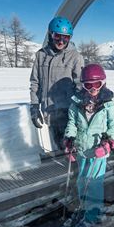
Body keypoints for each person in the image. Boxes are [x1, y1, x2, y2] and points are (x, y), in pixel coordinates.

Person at [62, 64, 114, 227]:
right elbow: (72, 124)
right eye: (88, 85)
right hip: (81, 149)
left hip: (98, 150)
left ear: (103, 83)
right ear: (83, 85)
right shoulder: (76, 103)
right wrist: (69, 140)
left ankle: (93, 215)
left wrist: (109, 142)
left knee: (93, 182)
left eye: (97, 84)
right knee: (81, 181)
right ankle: (85, 208)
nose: (93, 89)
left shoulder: (108, 104)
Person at [29, 16, 84, 149]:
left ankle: (75, 168)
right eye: (57, 36)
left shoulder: (75, 57)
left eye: (66, 37)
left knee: (71, 149)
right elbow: (35, 83)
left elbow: (80, 85)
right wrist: (34, 107)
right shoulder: (40, 55)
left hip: (68, 113)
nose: (61, 41)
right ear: (50, 35)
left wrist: (80, 111)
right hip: (49, 112)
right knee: (59, 147)